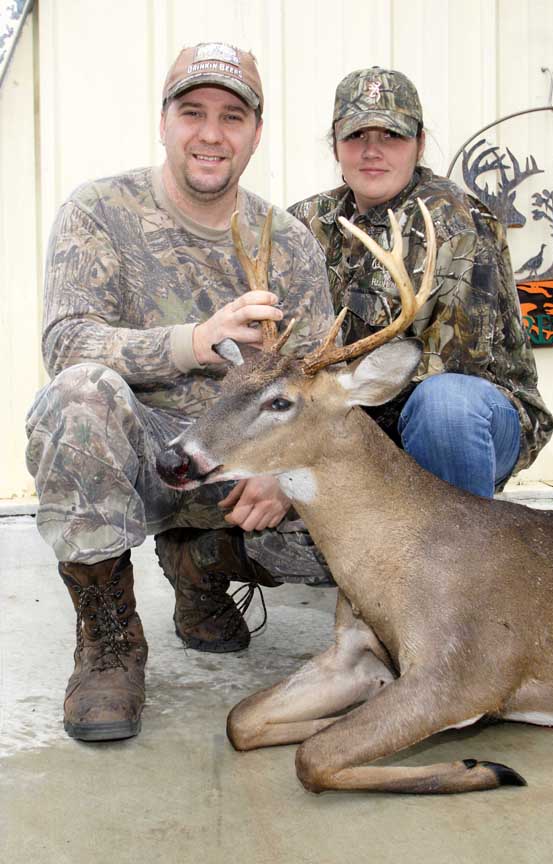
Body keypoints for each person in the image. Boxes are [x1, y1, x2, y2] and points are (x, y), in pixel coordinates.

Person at [25, 42, 335, 743]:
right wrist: (196, 340)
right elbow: (67, 342)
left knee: (344, 534)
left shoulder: (287, 242)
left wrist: (286, 471)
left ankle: (199, 571)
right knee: (78, 397)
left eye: (232, 116)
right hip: (144, 454)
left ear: (256, 132)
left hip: (236, 468)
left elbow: (315, 387)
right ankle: (108, 640)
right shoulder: (100, 211)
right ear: (164, 121)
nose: (211, 133)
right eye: (192, 112)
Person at [288, 67, 553, 497]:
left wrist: (334, 409)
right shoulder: (303, 224)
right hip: (343, 415)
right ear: (335, 145)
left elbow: (458, 368)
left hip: (474, 419)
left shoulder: (457, 224)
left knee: (445, 405)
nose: (372, 151)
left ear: (420, 144)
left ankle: (464, 557)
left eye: (391, 137)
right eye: (356, 137)